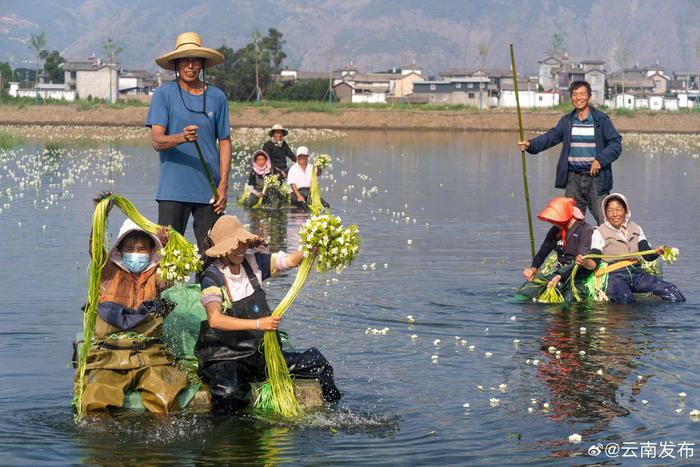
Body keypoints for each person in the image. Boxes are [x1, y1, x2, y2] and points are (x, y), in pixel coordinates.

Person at [194, 215, 341, 413]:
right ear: (222, 249)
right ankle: (229, 437)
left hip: (261, 355)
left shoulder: (255, 263)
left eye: (243, 243)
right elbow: (215, 319)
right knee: (229, 391)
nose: (241, 249)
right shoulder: (212, 277)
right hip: (228, 357)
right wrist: (258, 324)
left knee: (318, 365)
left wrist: (312, 248)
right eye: (235, 245)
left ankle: (332, 413)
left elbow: (290, 261)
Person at [80, 218, 187, 413]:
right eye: (130, 248)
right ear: (120, 250)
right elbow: (95, 249)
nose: (135, 253)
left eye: (141, 249)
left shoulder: (157, 273)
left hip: (148, 352)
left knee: (166, 399)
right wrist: (100, 215)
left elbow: (171, 276)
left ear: (150, 252)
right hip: (110, 351)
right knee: (96, 399)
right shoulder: (107, 270)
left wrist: (168, 246)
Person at [146, 31, 231, 252]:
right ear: (177, 63)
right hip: (172, 191)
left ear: (202, 64)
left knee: (211, 254)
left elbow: (224, 141)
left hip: (209, 192)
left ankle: (209, 288)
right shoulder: (164, 95)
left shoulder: (217, 97)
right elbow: (156, 140)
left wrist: (223, 185)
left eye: (195, 60)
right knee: (168, 256)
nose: (190, 65)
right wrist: (181, 137)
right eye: (185, 60)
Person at [518, 81, 622, 225]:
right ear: (571, 98)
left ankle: (612, 246)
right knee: (572, 224)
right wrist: (531, 144)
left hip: (597, 180)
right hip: (573, 180)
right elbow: (551, 137)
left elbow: (616, 144)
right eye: (575, 94)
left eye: (582, 94)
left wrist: (600, 160)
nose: (578, 98)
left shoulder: (601, 120)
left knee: (605, 221)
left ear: (589, 96)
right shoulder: (567, 121)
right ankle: (575, 248)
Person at [589, 193, 685, 303]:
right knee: (625, 299)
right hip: (614, 276)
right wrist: (584, 262)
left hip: (637, 273)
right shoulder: (599, 232)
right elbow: (594, 260)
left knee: (672, 291)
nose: (615, 214)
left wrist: (657, 252)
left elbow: (647, 255)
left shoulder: (636, 228)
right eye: (610, 210)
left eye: (619, 209)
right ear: (605, 214)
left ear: (626, 211)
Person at [519, 197, 599, 301]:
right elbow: (542, 252)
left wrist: (560, 276)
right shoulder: (555, 230)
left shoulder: (584, 230)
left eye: (555, 219)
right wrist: (533, 269)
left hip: (578, 275)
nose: (553, 223)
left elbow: (579, 262)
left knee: (568, 298)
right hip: (559, 271)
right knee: (528, 289)